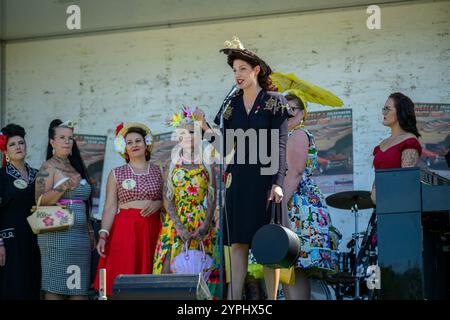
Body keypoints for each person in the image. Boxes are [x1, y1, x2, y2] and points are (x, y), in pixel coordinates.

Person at [196, 36, 289, 300]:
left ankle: (271, 301)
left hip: (267, 180)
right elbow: (225, 148)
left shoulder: (274, 101)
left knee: (269, 244)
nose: (237, 75)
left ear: (256, 70)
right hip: (238, 178)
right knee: (237, 243)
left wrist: (278, 182)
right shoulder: (231, 106)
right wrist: (204, 127)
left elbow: (280, 144)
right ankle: (234, 300)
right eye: (234, 70)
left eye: (243, 69)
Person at [280, 90, 340, 300]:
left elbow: (294, 174)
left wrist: (278, 208)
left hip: (299, 207)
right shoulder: (284, 136)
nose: (287, 113)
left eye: (292, 109)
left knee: (297, 268)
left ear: (303, 114)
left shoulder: (299, 134)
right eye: (283, 109)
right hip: (291, 203)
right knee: (287, 268)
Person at [153, 106, 218, 295]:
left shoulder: (207, 162)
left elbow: (212, 196)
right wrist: (179, 227)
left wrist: (206, 224)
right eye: (184, 132)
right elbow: (168, 198)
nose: (188, 136)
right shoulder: (171, 164)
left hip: (200, 221)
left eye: (193, 132)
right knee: (167, 268)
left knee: (200, 269)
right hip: (175, 223)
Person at [94, 123, 163, 297]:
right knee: (123, 281)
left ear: (146, 143)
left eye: (138, 140)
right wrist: (103, 234)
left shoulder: (160, 170)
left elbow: (169, 200)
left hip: (153, 229)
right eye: (129, 142)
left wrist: (159, 203)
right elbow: (110, 206)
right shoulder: (116, 173)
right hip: (126, 230)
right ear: (124, 148)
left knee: (151, 283)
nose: (134, 145)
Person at [35, 119, 95, 300]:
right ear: (52, 142)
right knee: (56, 288)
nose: (67, 142)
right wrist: (65, 185)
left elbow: (84, 204)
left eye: (70, 138)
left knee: (78, 288)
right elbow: (40, 202)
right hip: (57, 235)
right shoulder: (48, 167)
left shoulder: (75, 166)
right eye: (62, 138)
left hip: (80, 238)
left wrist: (90, 229)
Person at [0, 124, 41, 300]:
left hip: (35, 238)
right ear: (5, 151)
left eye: (21, 143)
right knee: (13, 287)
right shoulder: (1, 176)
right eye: (12, 144)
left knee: (33, 285)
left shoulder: (38, 174)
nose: (18, 147)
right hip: (10, 239)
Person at [371, 92, 422, 203]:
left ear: (400, 112)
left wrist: (385, 199)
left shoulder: (409, 141)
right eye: (383, 109)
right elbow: (377, 179)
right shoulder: (382, 144)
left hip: (399, 206)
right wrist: (375, 197)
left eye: (387, 109)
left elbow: (406, 181)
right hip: (380, 207)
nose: (383, 113)